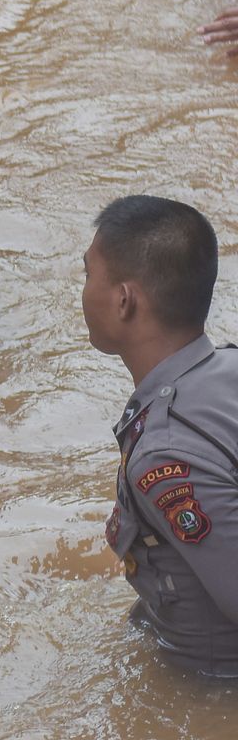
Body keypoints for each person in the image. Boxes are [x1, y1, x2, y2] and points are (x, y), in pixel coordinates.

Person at [83, 195, 238, 676]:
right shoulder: (226, 369)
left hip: (209, 685)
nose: (83, 291)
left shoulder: (166, 453)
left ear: (124, 300)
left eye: (87, 275)